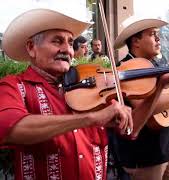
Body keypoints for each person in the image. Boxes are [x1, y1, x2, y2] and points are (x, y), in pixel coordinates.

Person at [0, 8, 133, 179]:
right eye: (57, 41)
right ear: (32, 47)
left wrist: (159, 88)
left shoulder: (91, 87)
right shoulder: (13, 86)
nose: (68, 50)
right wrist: (91, 118)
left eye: (70, 43)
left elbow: (130, 132)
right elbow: (9, 130)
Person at [111, 17, 169, 180]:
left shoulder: (156, 66)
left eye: (157, 34)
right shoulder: (126, 69)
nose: (158, 38)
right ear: (136, 41)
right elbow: (148, 106)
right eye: (152, 34)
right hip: (145, 158)